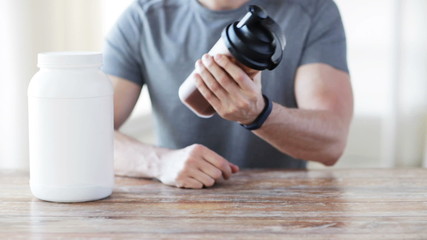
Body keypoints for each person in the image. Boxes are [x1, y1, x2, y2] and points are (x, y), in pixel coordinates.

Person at [103, 0, 354, 189]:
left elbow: (332, 144)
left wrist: (260, 114)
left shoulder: (312, 10)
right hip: (180, 204)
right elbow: (84, 133)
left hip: (281, 206)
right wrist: (161, 162)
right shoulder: (144, 18)